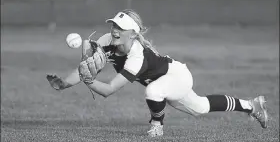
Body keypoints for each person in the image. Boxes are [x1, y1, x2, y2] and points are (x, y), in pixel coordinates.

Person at [47, 9, 268, 137]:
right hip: (165, 82)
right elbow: (87, 67)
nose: (114, 30)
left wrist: (89, 81)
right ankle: (251, 105)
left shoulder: (136, 56)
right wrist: (65, 84)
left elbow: (108, 90)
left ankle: (157, 126)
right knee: (200, 107)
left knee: (153, 90)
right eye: (113, 24)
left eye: (120, 27)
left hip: (177, 76)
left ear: (133, 34)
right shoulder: (106, 41)